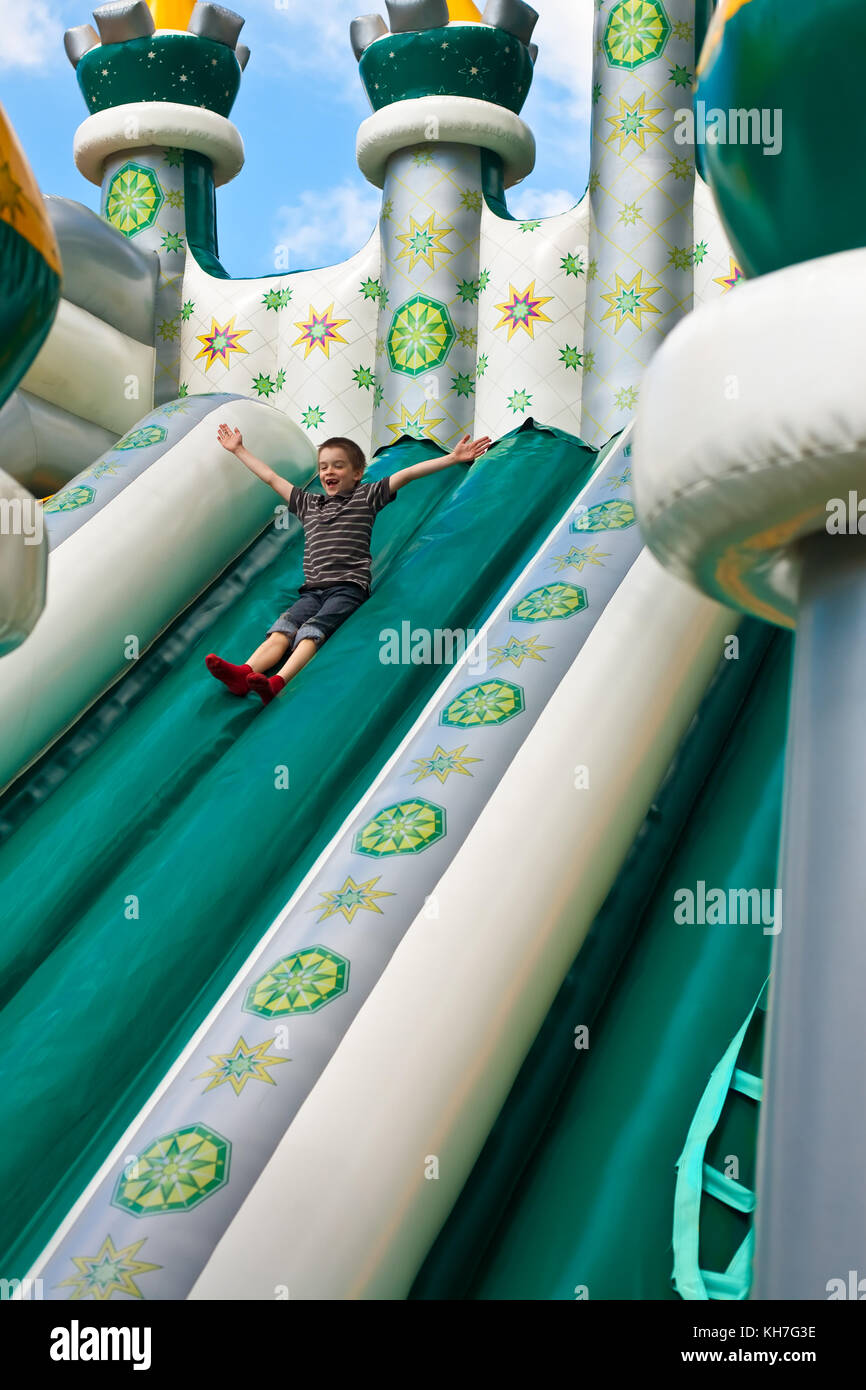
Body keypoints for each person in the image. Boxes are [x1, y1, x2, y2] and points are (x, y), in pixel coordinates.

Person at [206, 424, 491, 704]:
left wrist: (452, 458)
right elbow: (270, 477)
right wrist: (239, 450)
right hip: (312, 589)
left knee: (312, 630)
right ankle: (245, 673)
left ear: (357, 474)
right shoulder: (308, 503)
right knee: (283, 628)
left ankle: (278, 681)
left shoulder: (365, 497)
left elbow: (407, 474)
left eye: (338, 466)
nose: (329, 471)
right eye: (324, 467)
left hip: (347, 588)